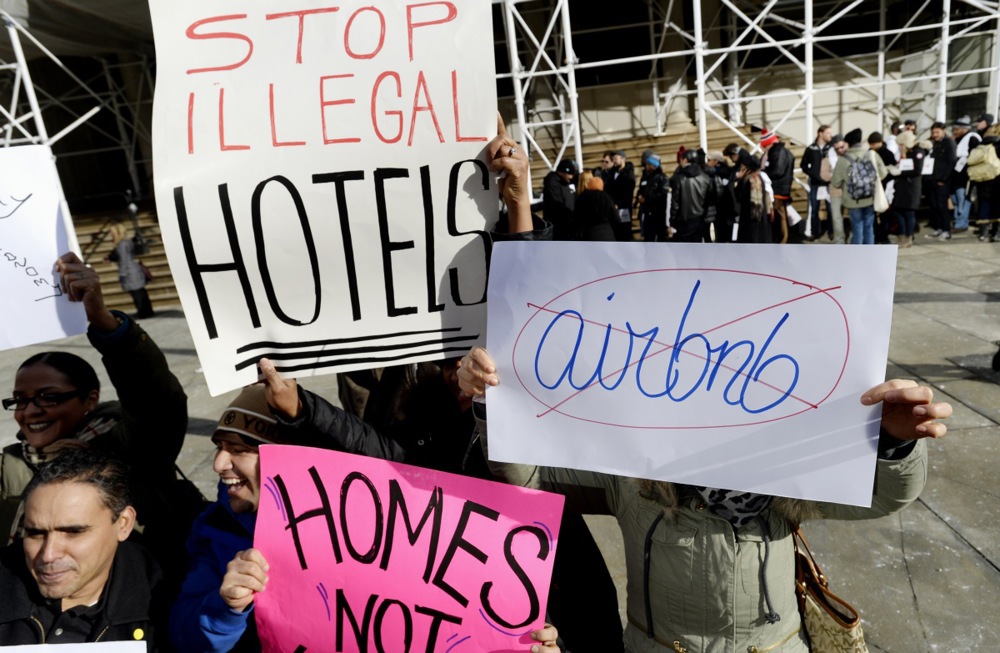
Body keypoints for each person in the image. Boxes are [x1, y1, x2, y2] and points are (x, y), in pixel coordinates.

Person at [456, 347, 953, 653]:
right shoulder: (632, 473)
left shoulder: (785, 479)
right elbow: (529, 475)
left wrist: (895, 441)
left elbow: (886, 495)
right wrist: (493, 403)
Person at [170, 362, 560, 653]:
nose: (219, 465)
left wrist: (524, 641)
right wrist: (225, 610)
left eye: (238, 450)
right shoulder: (217, 530)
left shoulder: (366, 519)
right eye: (219, 449)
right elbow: (183, 637)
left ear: (283, 461)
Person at [2, 253, 189, 580]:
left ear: (90, 399)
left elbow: (156, 401)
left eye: (49, 397)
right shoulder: (10, 466)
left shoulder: (130, 448)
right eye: (19, 400)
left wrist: (105, 322)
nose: (30, 411)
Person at [0, 449, 168, 650]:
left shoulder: (170, 602)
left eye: (73, 532)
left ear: (123, 524)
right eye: (35, 533)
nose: (49, 554)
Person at [831, 127, 887, 245]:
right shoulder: (871, 154)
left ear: (848, 143)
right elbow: (883, 173)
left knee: (857, 228)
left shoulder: (843, 160)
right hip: (869, 197)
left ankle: (858, 256)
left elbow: (835, 183)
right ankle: (869, 254)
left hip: (852, 200)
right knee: (869, 227)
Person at [107, 222, 154, 319]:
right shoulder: (127, 241)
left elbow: (124, 259)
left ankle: (143, 312)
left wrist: (122, 274)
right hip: (134, 269)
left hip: (130, 271)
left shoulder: (122, 244)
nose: (110, 234)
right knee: (141, 292)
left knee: (137, 293)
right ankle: (147, 311)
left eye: (112, 232)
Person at [892, 130, 928, 248]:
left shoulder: (918, 152)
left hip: (911, 187)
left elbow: (917, 170)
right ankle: (902, 235)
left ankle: (908, 236)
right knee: (898, 210)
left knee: (909, 212)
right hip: (903, 186)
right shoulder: (909, 152)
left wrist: (901, 173)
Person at [669, 149, 714, 243]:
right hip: (699, 219)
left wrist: (671, 222)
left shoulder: (679, 178)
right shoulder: (705, 177)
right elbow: (709, 198)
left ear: (685, 160)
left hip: (683, 221)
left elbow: (675, 203)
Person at [800, 124, 833, 241]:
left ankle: (831, 231)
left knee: (831, 209)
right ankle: (815, 232)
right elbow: (803, 165)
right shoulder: (811, 149)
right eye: (828, 133)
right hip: (815, 183)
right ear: (820, 133)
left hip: (829, 183)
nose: (830, 135)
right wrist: (813, 174)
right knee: (814, 209)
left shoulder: (831, 148)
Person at [759, 129, 793, 244]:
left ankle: (783, 239)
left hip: (778, 189)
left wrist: (763, 172)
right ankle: (781, 238)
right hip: (779, 188)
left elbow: (777, 171)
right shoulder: (779, 151)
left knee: (780, 215)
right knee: (780, 215)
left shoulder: (777, 152)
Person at [950, 115, 981, 233]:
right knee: (957, 201)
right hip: (956, 177)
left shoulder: (972, 138)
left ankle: (961, 223)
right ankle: (959, 221)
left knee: (963, 201)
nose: (954, 132)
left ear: (964, 129)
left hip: (965, 177)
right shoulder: (956, 140)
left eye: (956, 129)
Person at [926, 121, 957, 240]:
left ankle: (946, 230)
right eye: (933, 132)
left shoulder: (949, 143)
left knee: (942, 205)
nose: (935, 135)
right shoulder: (935, 144)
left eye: (937, 132)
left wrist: (944, 179)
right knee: (935, 205)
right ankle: (939, 228)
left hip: (943, 180)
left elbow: (952, 162)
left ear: (943, 131)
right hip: (933, 179)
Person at [734, 150, 772, 244]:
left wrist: (737, 180)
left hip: (750, 218)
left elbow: (739, 196)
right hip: (760, 218)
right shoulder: (759, 178)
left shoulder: (749, 180)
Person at [603, 150, 637, 241]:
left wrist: (619, 203)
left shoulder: (628, 174)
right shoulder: (612, 173)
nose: (614, 161)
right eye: (613, 159)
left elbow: (628, 192)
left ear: (623, 159)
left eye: (616, 159)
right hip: (613, 208)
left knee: (624, 232)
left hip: (624, 208)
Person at [574, 171, 618, 241]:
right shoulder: (607, 197)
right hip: (607, 234)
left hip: (588, 234)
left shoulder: (582, 197)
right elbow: (615, 217)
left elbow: (577, 217)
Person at [637, 153, 670, 242]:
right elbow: (640, 190)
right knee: (648, 238)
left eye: (648, 164)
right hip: (646, 213)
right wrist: (639, 197)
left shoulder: (662, 178)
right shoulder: (645, 178)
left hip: (658, 214)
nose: (646, 166)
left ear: (653, 165)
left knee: (660, 237)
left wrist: (647, 199)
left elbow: (663, 194)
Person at [543, 159, 578, 241]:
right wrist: (569, 215)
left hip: (567, 223)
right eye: (569, 174)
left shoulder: (564, 182)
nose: (571, 177)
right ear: (563, 172)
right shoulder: (552, 184)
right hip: (559, 225)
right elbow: (556, 205)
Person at [827, 134, 848, 244]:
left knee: (853, 215)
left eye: (841, 147)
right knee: (836, 216)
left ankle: (854, 238)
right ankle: (839, 240)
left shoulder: (849, 154)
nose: (840, 150)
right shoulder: (830, 155)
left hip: (849, 188)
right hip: (835, 188)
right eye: (837, 148)